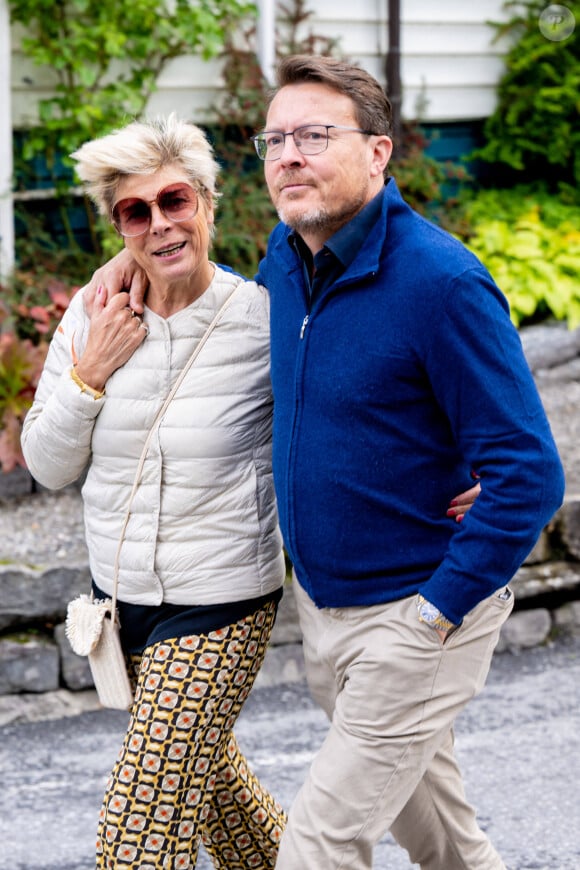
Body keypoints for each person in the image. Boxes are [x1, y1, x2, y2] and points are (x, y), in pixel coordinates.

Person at [79, 55, 564, 870]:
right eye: (275, 140)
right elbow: (213, 295)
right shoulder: (289, 261)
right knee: (441, 837)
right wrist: (135, 259)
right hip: (330, 614)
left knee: (317, 847)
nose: (289, 156)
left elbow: (530, 472)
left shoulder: (441, 283)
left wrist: (435, 615)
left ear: (378, 153)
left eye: (315, 135)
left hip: (418, 618)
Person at [21, 116, 287, 870]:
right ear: (118, 226)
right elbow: (46, 463)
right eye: (135, 212)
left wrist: (456, 474)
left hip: (222, 604)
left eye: (175, 201)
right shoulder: (94, 312)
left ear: (208, 201)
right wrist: (88, 375)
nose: (160, 223)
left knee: (138, 832)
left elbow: (358, 409)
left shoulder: (263, 322)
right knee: (227, 810)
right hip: (121, 602)